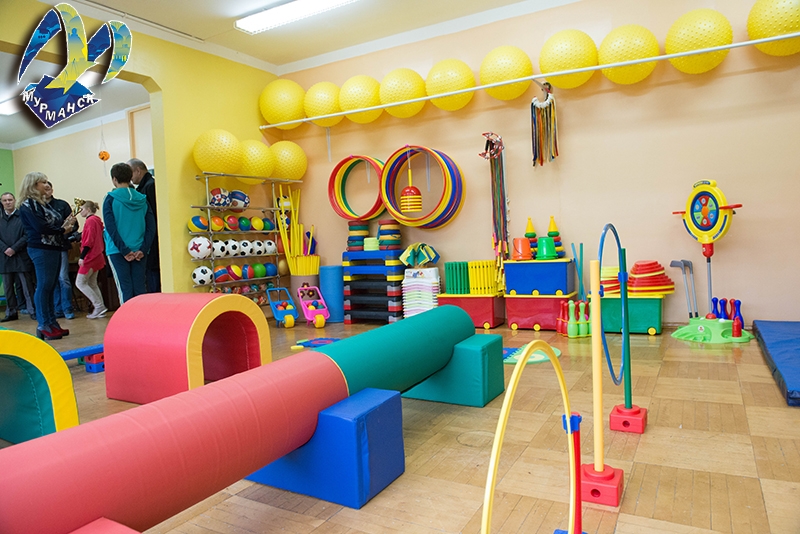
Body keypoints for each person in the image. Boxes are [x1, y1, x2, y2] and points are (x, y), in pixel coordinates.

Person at [18, 172, 76, 340]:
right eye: (42, 182)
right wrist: (62, 229)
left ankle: (52, 322)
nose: (46, 184)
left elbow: (53, 222)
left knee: (50, 286)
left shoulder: (42, 203)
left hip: (53, 247)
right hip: (41, 248)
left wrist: (67, 224)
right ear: (33, 185)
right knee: (44, 286)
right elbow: (40, 227)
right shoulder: (28, 204)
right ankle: (44, 324)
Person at [104, 162, 155, 304]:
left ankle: (126, 318)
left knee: (124, 288)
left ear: (114, 179)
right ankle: (141, 317)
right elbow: (151, 227)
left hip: (117, 250)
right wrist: (143, 249)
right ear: (130, 177)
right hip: (139, 250)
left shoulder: (110, 199)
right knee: (140, 288)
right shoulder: (142, 199)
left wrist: (124, 250)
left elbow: (110, 227)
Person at [43, 181, 78, 319]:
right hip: (45, 247)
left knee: (63, 278)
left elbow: (74, 226)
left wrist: (67, 230)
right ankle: (57, 309)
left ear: (52, 190)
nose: (46, 191)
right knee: (53, 279)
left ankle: (67, 308)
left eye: (48, 188)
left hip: (61, 246)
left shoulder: (62, 205)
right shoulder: (38, 206)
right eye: (43, 189)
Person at [0, 192, 36, 322]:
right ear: (2, 202)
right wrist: (5, 249)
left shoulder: (23, 216)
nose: (8, 202)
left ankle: (33, 311)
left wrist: (14, 248)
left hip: (21, 255)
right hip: (4, 256)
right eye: (5, 200)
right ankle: (11, 312)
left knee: (27, 286)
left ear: (14, 201)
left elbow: (27, 234)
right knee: (8, 287)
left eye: (10, 200)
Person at [128, 158, 160, 293]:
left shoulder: (149, 186)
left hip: (152, 238)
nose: (129, 177)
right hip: (149, 238)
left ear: (138, 171)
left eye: (130, 173)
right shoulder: (144, 187)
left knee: (153, 274)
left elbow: (152, 216)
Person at [75, 200, 107, 319]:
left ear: (88, 210)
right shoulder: (97, 220)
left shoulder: (90, 221)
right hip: (98, 255)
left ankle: (98, 306)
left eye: (82, 209)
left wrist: (82, 256)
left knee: (80, 283)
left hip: (90, 256)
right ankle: (101, 307)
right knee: (92, 283)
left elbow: (88, 241)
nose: (80, 212)